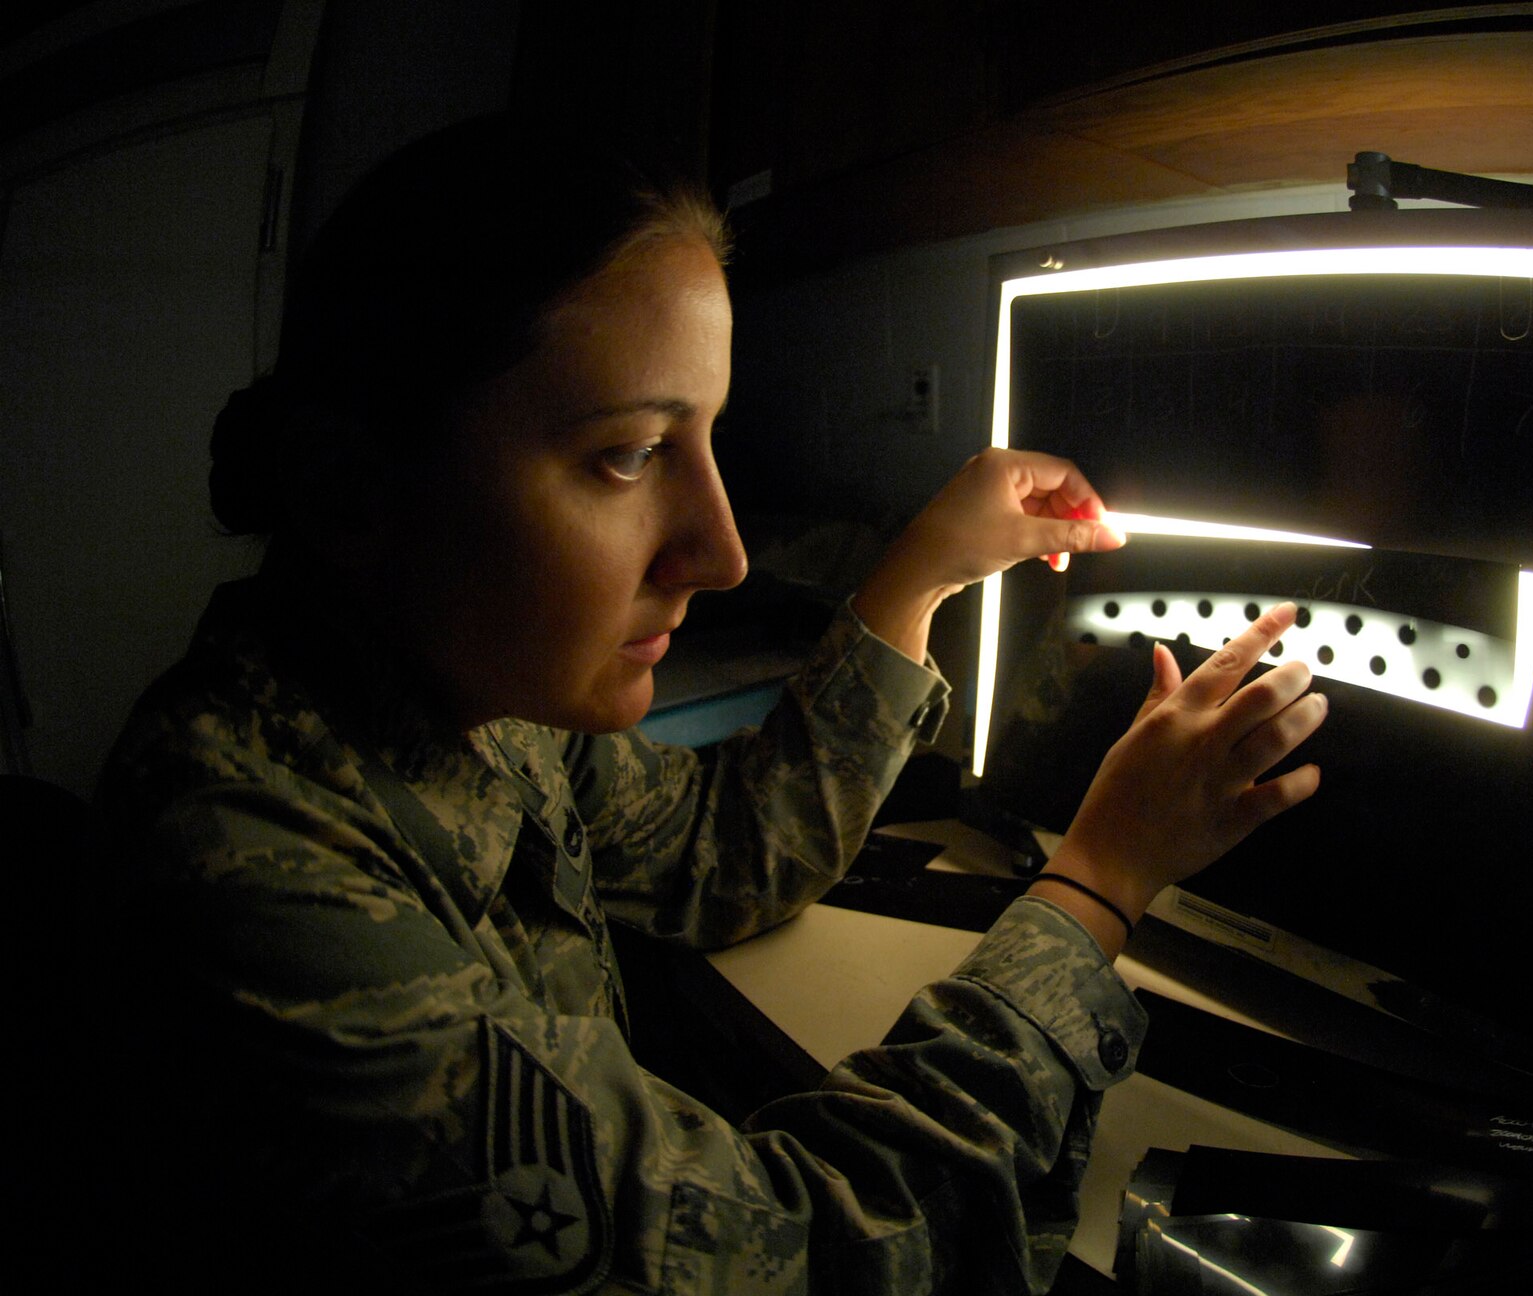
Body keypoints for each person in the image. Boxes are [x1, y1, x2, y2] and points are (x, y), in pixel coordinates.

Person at [92, 115, 1327, 1294]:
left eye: (706, 439)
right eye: (630, 453)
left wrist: (917, 574)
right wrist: (1100, 879)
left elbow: (724, 847)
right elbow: (806, 1253)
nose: (724, 552)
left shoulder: (476, 692)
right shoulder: (250, 867)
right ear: (351, 492)